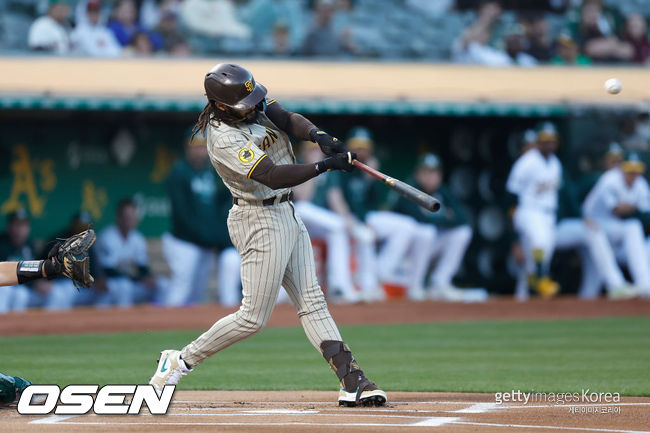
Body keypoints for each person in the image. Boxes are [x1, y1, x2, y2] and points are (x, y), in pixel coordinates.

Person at [149, 63, 386, 407]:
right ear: (220, 105)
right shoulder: (224, 137)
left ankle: (353, 381)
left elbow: (288, 119)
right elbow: (272, 175)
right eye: (245, 104)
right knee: (252, 317)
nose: (253, 106)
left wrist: (321, 138)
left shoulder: (248, 98)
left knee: (313, 301)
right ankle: (180, 360)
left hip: (286, 212)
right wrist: (325, 166)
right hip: (257, 218)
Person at [327, 127, 417, 301]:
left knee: (406, 227)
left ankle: (377, 275)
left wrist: (371, 177)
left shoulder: (368, 170)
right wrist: (353, 220)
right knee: (365, 236)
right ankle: (364, 284)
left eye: (365, 147)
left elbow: (375, 203)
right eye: (357, 146)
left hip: (366, 217)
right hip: (344, 217)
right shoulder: (340, 164)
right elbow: (337, 198)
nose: (361, 150)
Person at [162, 129, 241, 307]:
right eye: (195, 147)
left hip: (204, 245)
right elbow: (182, 215)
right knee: (182, 289)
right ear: (187, 148)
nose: (200, 152)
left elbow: (220, 202)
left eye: (203, 147)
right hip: (184, 243)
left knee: (197, 293)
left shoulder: (209, 172)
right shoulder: (179, 172)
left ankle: (183, 332)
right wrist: (210, 238)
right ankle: (163, 326)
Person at [392, 154, 473, 301]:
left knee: (463, 232)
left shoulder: (443, 191)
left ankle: (440, 283)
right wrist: (445, 217)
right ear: (418, 173)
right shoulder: (409, 188)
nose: (431, 177)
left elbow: (463, 218)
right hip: (405, 253)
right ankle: (414, 286)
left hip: (429, 247)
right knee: (426, 232)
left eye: (434, 172)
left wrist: (435, 219)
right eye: (426, 172)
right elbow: (420, 218)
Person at [292, 140, 359, 303]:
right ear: (304, 152)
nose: (314, 152)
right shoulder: (296, 165)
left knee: (338, 231)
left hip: (317, 223)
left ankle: (340, 287)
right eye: (310, 150)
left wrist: (347, 217)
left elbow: (335, 199)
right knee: (305, 208)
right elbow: (303, 197)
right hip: (295, 217)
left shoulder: (329, 170)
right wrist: (313, 168)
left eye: (317, 149)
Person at [582, 152, 650, 297]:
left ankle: (645, 283)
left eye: (636, 171)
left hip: (613, 227)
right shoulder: (610, 179)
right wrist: (633, 207)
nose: (632, 174)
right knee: (596, 233)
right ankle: (616, 285)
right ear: (621, 168)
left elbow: (646, 213)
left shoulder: (641, 184)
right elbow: (617, 209)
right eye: (629, 170)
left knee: (633, 227)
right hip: (590, 222)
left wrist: (630, 207)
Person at [507, 122, 562, 298]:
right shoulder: (527, 162)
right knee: (540, 243)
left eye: (552, 141)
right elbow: (511, 194)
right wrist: (513, 229)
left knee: (539, 258)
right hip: (529, 210)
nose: (549, 144)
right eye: (545, 140)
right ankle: (540, 280)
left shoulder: (555, 163)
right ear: (537, 141)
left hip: (548, 214)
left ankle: (525, 298)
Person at [96, 198, 156, 307]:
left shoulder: (137, 238)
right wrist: (137, 279)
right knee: (124, 286)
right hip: (107, 283)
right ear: (118, 218)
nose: (131, 219)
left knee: (160, 285)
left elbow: (142, 266)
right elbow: (108, 270)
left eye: (133, 216)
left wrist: (148, 277)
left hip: (128, 281)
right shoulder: (108, 237)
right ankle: (124, 322)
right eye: (127, 216)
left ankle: (160, 320)